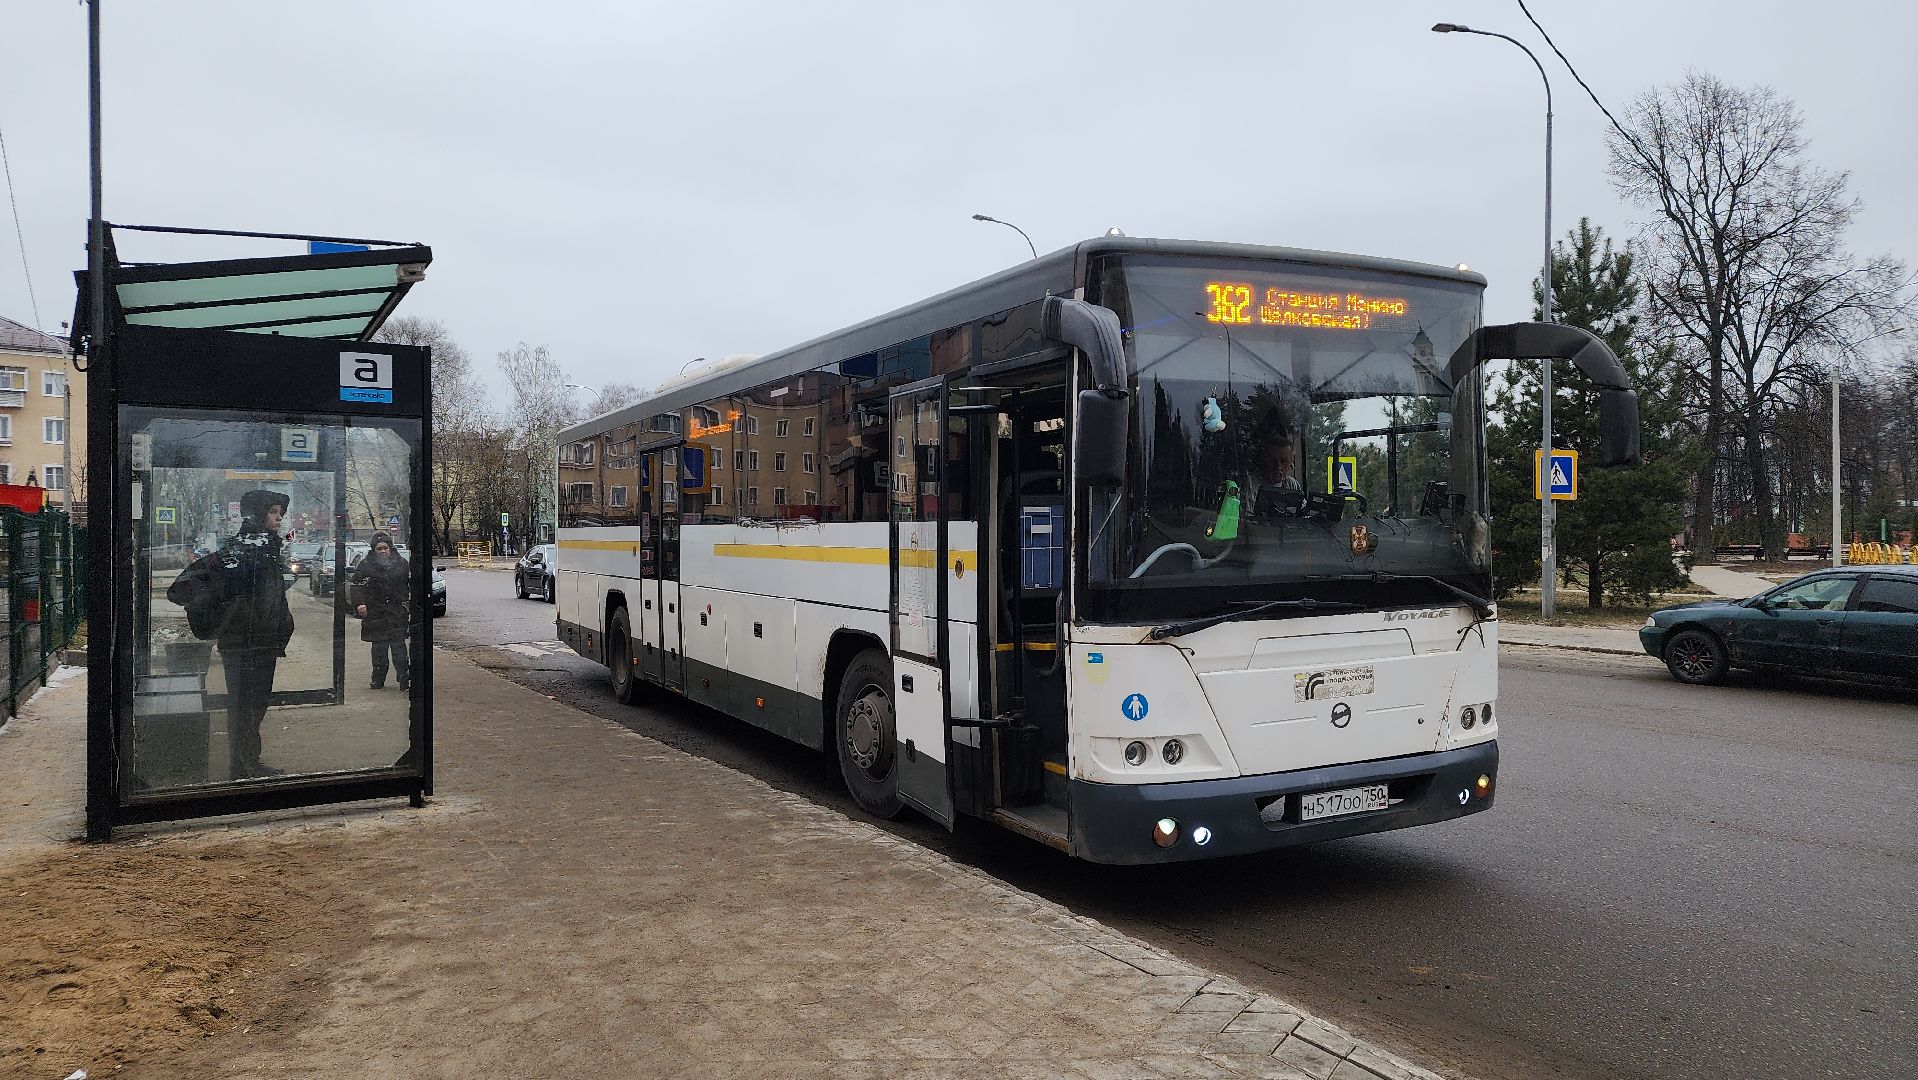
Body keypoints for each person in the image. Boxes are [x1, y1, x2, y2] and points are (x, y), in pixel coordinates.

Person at [206, 488, 295, 779]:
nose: (279, 518)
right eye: (273, 512)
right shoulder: (245, 549)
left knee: (254, 706)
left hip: (260, 643)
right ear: (258, 514)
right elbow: (237, 593)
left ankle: (248, 763)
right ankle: (243, 768)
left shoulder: (262, 547)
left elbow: (265, 592)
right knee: (246, 706)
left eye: (280, 513)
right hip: (246, 644)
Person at [351, 531, 413, 691]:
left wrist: (408, 603)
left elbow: (410, 584)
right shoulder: (365, 565)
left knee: (399, 649)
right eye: (379, 548)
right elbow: (356, 586)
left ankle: (404, 679)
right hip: (375, 613)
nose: (383, 551)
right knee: (379, 649)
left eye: (386, 548)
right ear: (374, 550)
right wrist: (360, 604)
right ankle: (378, 678)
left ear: (390, 548)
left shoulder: (402, 563)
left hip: (396, 613)